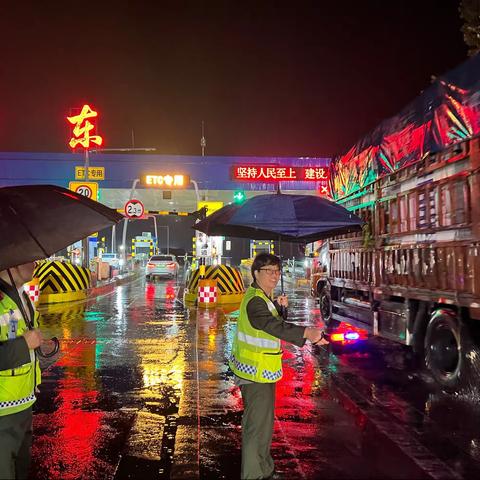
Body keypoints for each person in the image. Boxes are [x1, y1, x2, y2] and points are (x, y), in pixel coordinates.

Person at [229, 253, 328, 480]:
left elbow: (270, 324)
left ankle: (264, 469)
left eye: (277, 271)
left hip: (262, 372)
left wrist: (279, 309)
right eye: (268, 271)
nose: (274, 276)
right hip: (254, 373)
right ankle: (253, 475)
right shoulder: (255, 300)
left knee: (263, 426)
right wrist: (307, 333)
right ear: (256, 273)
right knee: (256, 428)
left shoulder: (263, 298)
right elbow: (269, 325)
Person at [0, 262, 43, 479]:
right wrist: (23, 344)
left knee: (21, 470)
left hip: (24, 404)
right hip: (2, 414)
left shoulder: (23, 296)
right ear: (10, 263)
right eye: (29, 257)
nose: (35, 263)